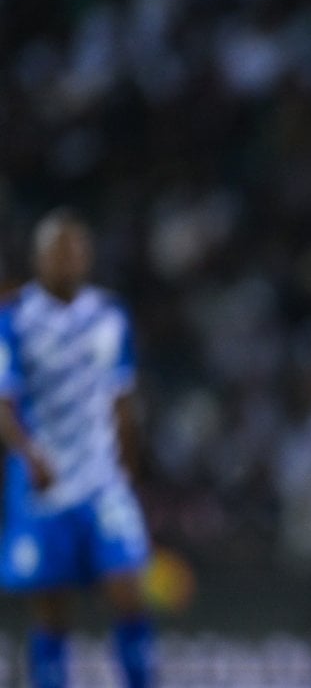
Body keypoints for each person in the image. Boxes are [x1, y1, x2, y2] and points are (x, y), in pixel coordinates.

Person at [0, 209, 153, 688]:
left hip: (103, 480)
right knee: (52, 609)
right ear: (39, 258)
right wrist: (27, 454)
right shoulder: (15, 317)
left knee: (128, 591)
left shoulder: (108, 315)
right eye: (58, 249)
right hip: (44, 481)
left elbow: (123, 399)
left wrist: (130, 470)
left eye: (77, 248)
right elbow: (2, 399)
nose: (69, 258)